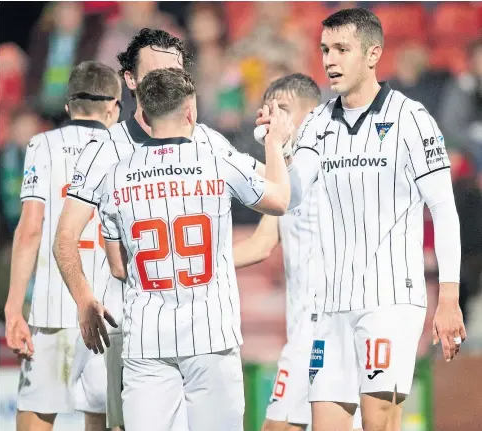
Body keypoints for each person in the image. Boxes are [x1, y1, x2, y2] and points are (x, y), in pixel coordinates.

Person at [257, 8, 465, 431]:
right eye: (324, 50)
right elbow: (289, 197)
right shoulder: (317, 122)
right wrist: (276, 146)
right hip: (332, 306)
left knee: (379, 423)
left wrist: (448, 297)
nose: (329, 60)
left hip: (388, 300)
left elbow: (444, 208)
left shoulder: (412, 119)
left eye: (340, 49)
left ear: (373, 54)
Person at [53, 28, 267, 429]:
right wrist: (84, 299)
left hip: (205, 335)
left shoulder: (209, 142)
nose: (169, 81)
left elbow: (270, 188)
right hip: (131, 329)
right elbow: (65, 236)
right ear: (130, 80)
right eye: (157, 72)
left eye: (176, 71)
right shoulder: (103, 151)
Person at [97, 67, 291, 430]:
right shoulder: (215, 162)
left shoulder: (114, 177)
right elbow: (279, 199)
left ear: (145, 114)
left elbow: (118, 268)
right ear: (191, 111)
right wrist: (276, 143)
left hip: (147, 340)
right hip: (210, 335)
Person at [234, 73, 362, 431]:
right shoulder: (282, 182)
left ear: (313, 115)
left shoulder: (335, 165)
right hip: (301, 333)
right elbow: (260, 245)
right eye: (270, 112)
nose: (274, 120)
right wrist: (207, 265)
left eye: (284, 111)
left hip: (331, 330)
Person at [4, 61, 122, 431]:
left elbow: (30, 229)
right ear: (113, 106)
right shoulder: (127, 150)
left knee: (37, 415)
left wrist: (13, 307)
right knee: (108, 418)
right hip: (112, 311)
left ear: (69, 106)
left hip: (56, 306)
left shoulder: (44, 145)